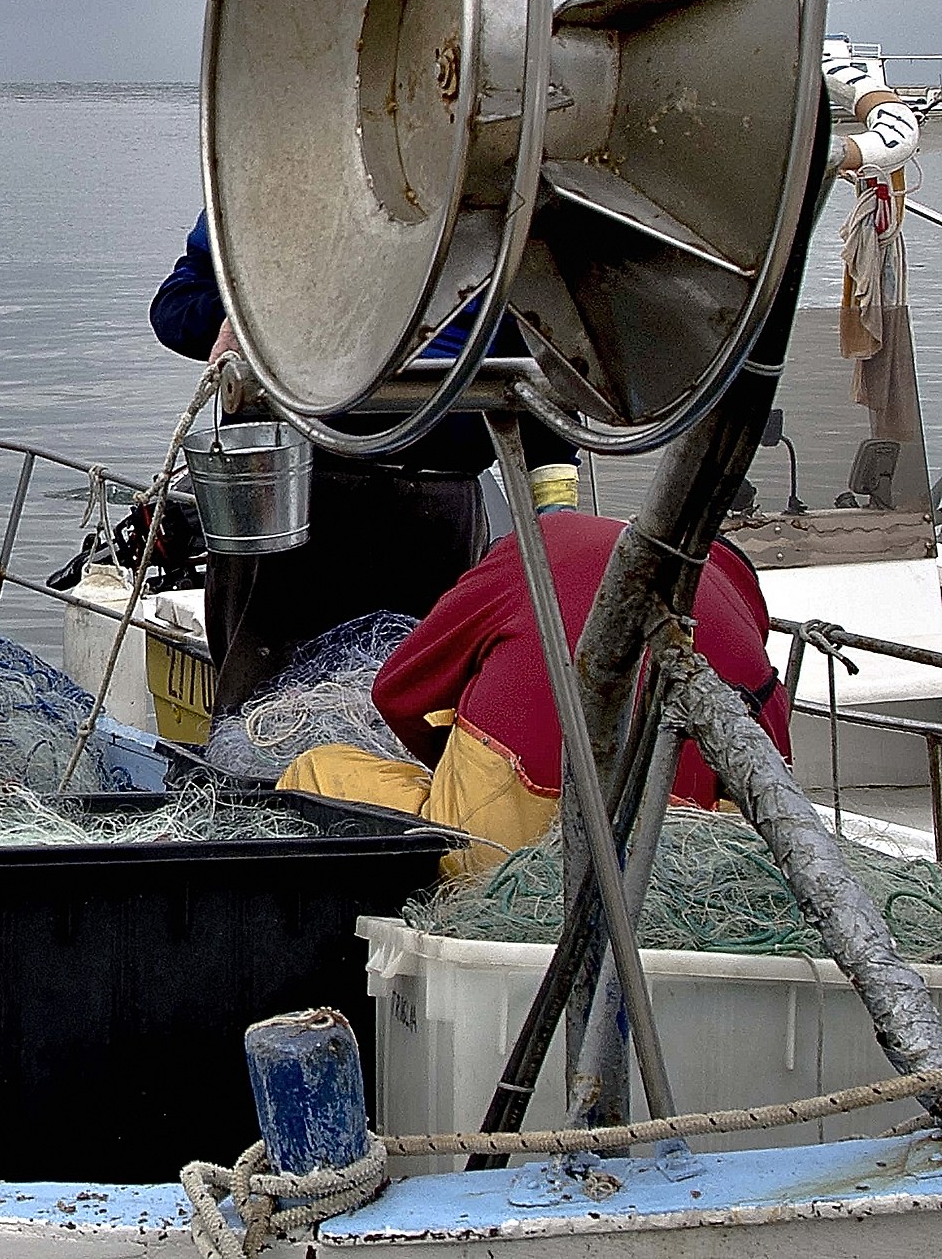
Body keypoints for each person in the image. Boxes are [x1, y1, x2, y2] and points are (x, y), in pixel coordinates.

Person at [151, 209, 580, 709]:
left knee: (419, 715)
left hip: (438, 505)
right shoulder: (276, 179)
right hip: (293, 499)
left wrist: (556, 520)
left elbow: (549, 365)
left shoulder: (508, 194)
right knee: (262, 706)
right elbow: (174, 307)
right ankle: (247, 783)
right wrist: (243, 319)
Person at [277, 512, 792, 860]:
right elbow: (773, 797)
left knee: (315, 772)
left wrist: (446, 768)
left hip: (501, 848)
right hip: (673, 868)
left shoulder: (548, 541)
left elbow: (396, 691)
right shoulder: (750, 645)